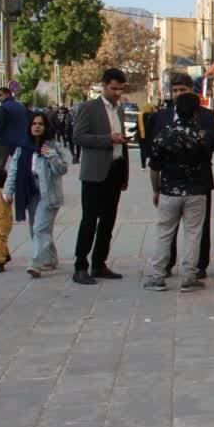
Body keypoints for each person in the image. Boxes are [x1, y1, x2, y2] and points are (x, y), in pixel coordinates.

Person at [144, 91, 213, 293]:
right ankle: (189, 276)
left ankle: (158, 275)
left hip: (169, 191)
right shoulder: (202, 137)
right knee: (193, 233)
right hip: (196, 191)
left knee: (164, 232)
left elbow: (154, 167)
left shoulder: (163, 136)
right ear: (196, 113)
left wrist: (156, 190)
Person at [152, 77, 214, 278]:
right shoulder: (162, 117)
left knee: (196, 230)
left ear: (191, 91)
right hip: (175, 185)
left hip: (196, 184)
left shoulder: (206, 117)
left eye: (182, 89)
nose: (178, 94)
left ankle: (198, 267)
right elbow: (154, 151)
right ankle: (168, 267)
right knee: (173, 231)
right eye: (174, 90)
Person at [71, 68, 132, 285]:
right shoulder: (89, 108)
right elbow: (78, 136)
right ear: (104, 86)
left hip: (115, 170)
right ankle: (80, 265)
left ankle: (99, 263)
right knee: (89, 219)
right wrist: (108, 139)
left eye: (120, 89)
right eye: (113, 88)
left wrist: (125, 174)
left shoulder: (120, 110)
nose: (117, 93)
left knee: (108, 220)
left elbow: (121, 142)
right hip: (94, 173)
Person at [3, 112, 68, 278]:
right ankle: (50, 259)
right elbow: (14, 171)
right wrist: (8, 191)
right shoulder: (22, 147)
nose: (37, 126)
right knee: (38, 229)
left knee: (40, 228)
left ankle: (36, 263)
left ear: (46, 127)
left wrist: (51, 155)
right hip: (30, 194)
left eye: (40, 124)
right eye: (34, 124)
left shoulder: (53, 146)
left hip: (49, 194)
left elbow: (62, 169)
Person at [0, 86, 30, 170]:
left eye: (0, 95)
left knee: (0, 167)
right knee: (20, 166)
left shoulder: (3, 108)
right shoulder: (21, 107)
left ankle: (0, 182)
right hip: (20, 141)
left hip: (4, 141)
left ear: (7, 94)